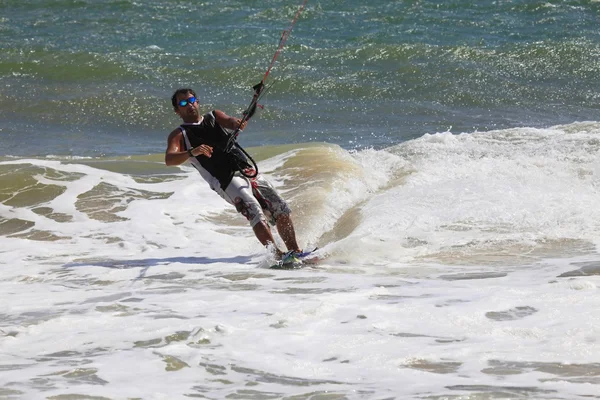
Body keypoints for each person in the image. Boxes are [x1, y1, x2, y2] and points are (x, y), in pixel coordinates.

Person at [165, 88, 303, 259]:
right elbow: (170, 159)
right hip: (225, 179)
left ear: (197, 102)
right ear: (177, 110)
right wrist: (193, 152)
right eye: (184, 103)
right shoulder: (179, 134)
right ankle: (278, 256)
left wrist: (237, 123)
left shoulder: (214, 116)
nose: (190, 105)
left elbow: (230, 121)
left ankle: (296, 252)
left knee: (280, 208)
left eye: (192, 100)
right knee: (254, 211)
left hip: (246, 169)